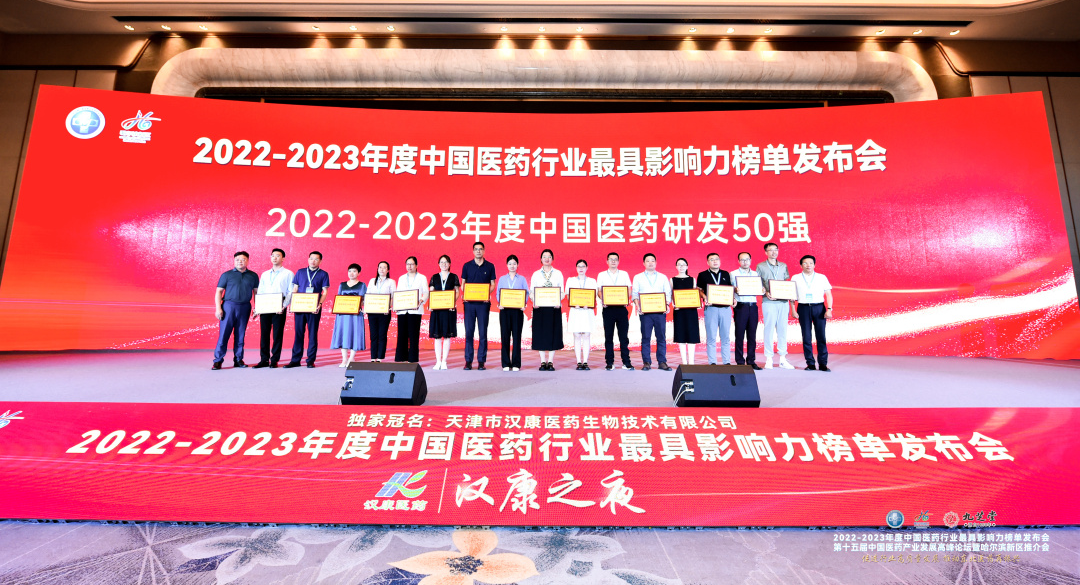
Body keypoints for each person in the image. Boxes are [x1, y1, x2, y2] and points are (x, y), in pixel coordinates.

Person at [212, 251, 259, 370]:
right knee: (224, 334)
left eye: (243, 259)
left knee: (240, 334)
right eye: (237, 259)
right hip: (228, 307)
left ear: (247, 261)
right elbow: (219, 291)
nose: (240, 262)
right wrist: (218, 308)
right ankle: (218, 360)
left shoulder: (253, 276)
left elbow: (256, 293)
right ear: (234, 261)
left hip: (245, 307)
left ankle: (238, 359)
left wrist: (257, 307)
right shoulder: (226, 275)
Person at [284, 251, 330, 368]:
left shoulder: (323, 274)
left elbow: (325, 292)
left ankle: (310, 360)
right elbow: (295, 289)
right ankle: (295, 360)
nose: (313, 261)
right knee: (298, 333)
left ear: (320, 261)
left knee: (313, 334)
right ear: (308, 259)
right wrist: (292, 303)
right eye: (311, 258)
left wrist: (319, 304)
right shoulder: (300, 272)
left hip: (314, 308)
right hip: (300, 307)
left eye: (316, 259)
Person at [791, 254, 834, 372]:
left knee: (821, 336)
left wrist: (829, 309)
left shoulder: (821, 277)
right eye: (805, 263)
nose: (808, 265)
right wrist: (793, 310)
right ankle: (810, 363)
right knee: (806, 336)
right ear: (801, 265)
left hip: (819, 307)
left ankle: (823, 363)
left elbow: (828, 294)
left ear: (814, 265)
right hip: (803, 308)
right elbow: (792, 295)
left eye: (810, 263)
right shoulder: (795, 277)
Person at [757, 242, 795, 369]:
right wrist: (765, 292)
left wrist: (789, 293)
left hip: (783, 302)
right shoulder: (760, 266)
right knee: (769, 329)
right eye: (771, 250)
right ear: (766, 252)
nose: (774, 252)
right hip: (769, 302)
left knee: (782, 329)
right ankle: (769, 358)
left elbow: (786, 282)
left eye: (776, 250)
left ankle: (783, 358)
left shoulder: (783, 266)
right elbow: (758, 283)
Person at [632, 253, 672, 371]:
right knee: (646, 337)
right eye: (648, 261)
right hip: (645, 313)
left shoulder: (663, 277)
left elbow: (667, 293)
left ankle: (662, 362)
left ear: (656, 263)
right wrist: (638, 305)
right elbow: (634, 293)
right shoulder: (638, 277)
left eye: (652, 261)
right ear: (643, 263)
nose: (650, 263)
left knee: (661, 337)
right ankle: (646, 362)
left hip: (660, 312)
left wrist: (666, 304)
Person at [253, 248, 292, 368]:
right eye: (273, 255)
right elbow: (260, 291)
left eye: (278, 256)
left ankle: (274, 359)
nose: (274, 258)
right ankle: (264, 359)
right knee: (264, 334)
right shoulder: (265, 274)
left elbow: (290, 291)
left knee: (277, 334)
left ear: (283, 258)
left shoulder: (288, 273)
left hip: (279, 306)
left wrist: (284, 306)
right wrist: (257, 308)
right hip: (265, 305)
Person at [460, 241, 496, 370]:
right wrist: (466, 293)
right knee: (469, 332)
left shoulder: (490, 266)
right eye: (476, 249)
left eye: (480, 249)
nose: (478, 251)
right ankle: (468, 361)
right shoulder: (467, 266)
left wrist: (486, 294)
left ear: (484, 251)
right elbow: (463, 284)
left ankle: (481, 361)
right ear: (473, 251)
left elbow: (492, 284)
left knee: (483, 333)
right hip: (469, 304)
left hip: (483, 305)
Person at [697, 253, 735, 366]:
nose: (715, 261)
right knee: (711, 337)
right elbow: (699, 290)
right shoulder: (702, 275)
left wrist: (733, 299)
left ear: (720, 261)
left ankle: (726, 362)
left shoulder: (726, 274)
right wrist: (705, 297)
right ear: (707, 262)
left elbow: (729, 290)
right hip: (711, 309)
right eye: (712, 259)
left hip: (725, 309)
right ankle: (712, 362)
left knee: (725, 337)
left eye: (717, 259)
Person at [597, 252, 633, 371]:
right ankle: (609, 362)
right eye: (611, 259)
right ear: (607, 261)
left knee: (623, 337)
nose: (613, 261)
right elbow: (599, 291)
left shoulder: (624, 274)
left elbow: (628, 289)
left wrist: (626, 299)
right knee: (609, 337)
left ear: (618, 261)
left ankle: (626, 362)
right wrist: (603, 300)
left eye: (615, 259)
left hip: (621, 309)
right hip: (608, 309)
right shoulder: (602, 275)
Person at [530, 248, 564, 370]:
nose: (547, 259)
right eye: (544, 256)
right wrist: (534, 301)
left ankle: (550, 362)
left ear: (552, 259)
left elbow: (562, 291)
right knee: (540, 334)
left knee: (553, 334)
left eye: (549, 256)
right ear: (541, 259)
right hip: (540, 308)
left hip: (554, 308)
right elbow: (532, 291)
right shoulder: (536, 274)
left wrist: (558, 301)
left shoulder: (558, 273)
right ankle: (543, 362)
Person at [330, 263, 367, 368]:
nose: (351, 273)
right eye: (350, 271)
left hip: (356, 314)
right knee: (344, 334)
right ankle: (344, 359)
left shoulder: (362, 285)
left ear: (359, 273)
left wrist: (362, 306)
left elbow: (364, 299)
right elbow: (339, 298)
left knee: (354, 333)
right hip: (343, 314)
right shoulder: (342, 285)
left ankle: (352, 358)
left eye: (354, 271)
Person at [497, 254, 529, 371]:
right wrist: (500, 303)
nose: (512, 266)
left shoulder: (522, 279)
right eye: (510, 264)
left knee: (517, 337)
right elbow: (498, 293)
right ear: (507, 265)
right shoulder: (502, 279)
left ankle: (516, 364)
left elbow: (526, 292)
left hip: (517, 312)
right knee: (505, 337)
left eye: (514, 264)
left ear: (517, 265)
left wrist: (524, 304)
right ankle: (505, 363)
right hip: (505, 311)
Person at [429, 254, 461, 370]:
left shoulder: (453, 277)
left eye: (446, 262)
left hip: (449, 310)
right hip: (437, 310)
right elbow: (431, 292)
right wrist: (431, 305)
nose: (444, 264)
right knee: (437, 337)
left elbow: (457, 292)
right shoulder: (434, 277)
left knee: (447, 336)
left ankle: (444, 361)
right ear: (438, 264)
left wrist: (453, 302)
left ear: (449, 264)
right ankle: (438, 361)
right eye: (442, 262)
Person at [565, 259, 598, 370]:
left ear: (587, 268)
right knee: (577, 335)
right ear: (576, 268)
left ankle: (586, 361)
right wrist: (574, 304)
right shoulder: (571, 280)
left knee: (587, 335)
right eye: (579, 266)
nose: (581, 268)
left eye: (583, 266)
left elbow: (593, 297)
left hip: (587, 311)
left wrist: (588, 304)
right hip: (576, 311)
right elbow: (569, 296)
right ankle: (579, 361)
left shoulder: (592, 281)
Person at [732, 252, 763, 370]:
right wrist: (734, 289)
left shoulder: (755, 274)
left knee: (752, 335)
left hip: (753, 306)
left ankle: (751, 361)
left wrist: (762, 289)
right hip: (741, 306)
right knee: (739, 335)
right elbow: (729, 289)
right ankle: (740, 361)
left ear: (750, 260)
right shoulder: (733, 274)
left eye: (747, 259)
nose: (745, 262)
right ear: (738, 261)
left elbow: (759, 289)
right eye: (742, 260)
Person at [395, 256, 427, 363]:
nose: (409, 266)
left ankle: (412, 359)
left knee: (414, 335)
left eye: (412, 264)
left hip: (415, 310)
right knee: (402, 335)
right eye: (407, 264)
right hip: (402, 310)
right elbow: (398, 293)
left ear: (416, 265)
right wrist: (397, 306)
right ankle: (401, 358)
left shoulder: (422, 278)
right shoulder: (401, 278)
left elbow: (426, 292)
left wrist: (421, 300)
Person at [671, 257, 699, 365]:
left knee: (692, 335)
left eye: (683, 264)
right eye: (679, 264)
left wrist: (697, 303)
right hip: (679, 312)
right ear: (676, 267)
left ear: (687, 266)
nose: (681, 266)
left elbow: (695, 294)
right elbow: (671, 295)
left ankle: (691, 362)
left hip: (691, 311)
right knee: (681, 335)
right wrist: (674, 304)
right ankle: (684, 361)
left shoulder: (692, 279)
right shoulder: (672, 280)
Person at [367, 260, 395, 362]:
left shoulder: (391, 282)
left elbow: (393, 296)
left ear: (388, 270)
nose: (382, 269)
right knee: (373, 335)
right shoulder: (372, 281)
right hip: (372, 312)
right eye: (380, 267)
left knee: (382, 334)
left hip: (384, 312)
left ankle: (380, 357)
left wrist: (389, 306)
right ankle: (373, 357)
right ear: (377, 269)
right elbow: (368, 295)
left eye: (384, 267)